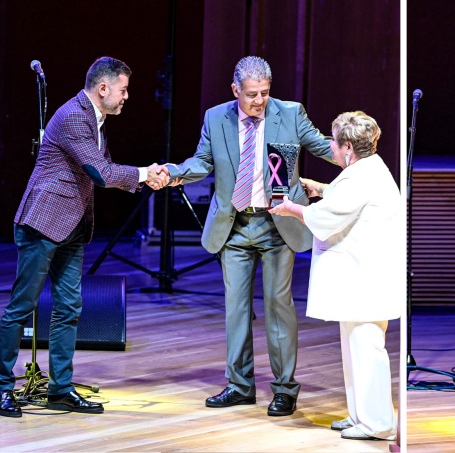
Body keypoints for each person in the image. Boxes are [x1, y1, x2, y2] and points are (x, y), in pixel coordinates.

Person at [0, 56, 170, 418]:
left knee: (69, 308)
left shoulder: (96, 118)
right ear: (103, 88)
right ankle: (1, 387)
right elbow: (101, 172)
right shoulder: (75, 116)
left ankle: (60, 389)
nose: (127, 96)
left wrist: (147, 178)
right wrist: (145, 173)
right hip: (43, 223)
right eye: (123, 89)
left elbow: (105, 170)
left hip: (72, 226)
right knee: (21, 307)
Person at [164, 55, 332, 417]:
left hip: (277, 224)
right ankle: (239, 386)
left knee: (278, 305)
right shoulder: (216, 118)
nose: (259, 101)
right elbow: (202, 161)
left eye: (265, 93)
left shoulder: (290, 113)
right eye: (252, 94)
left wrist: (359, 151)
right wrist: (175, 172)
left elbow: (323, 146)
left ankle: (284, 389)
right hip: (235, 226)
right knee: (236, 309)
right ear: (235, 90)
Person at [269, 110, 402, 440]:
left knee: (367, 352)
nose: (331, 146)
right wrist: (320, 188)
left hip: (365, 278)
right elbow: (345, 199)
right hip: (361, 277)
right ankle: (361, 417)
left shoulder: (359, 177)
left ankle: (378, 424)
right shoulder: (367, 169)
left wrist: (289, 208)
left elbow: (326, 218)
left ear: (348, 148)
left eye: (334, 141)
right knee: (355, 351)